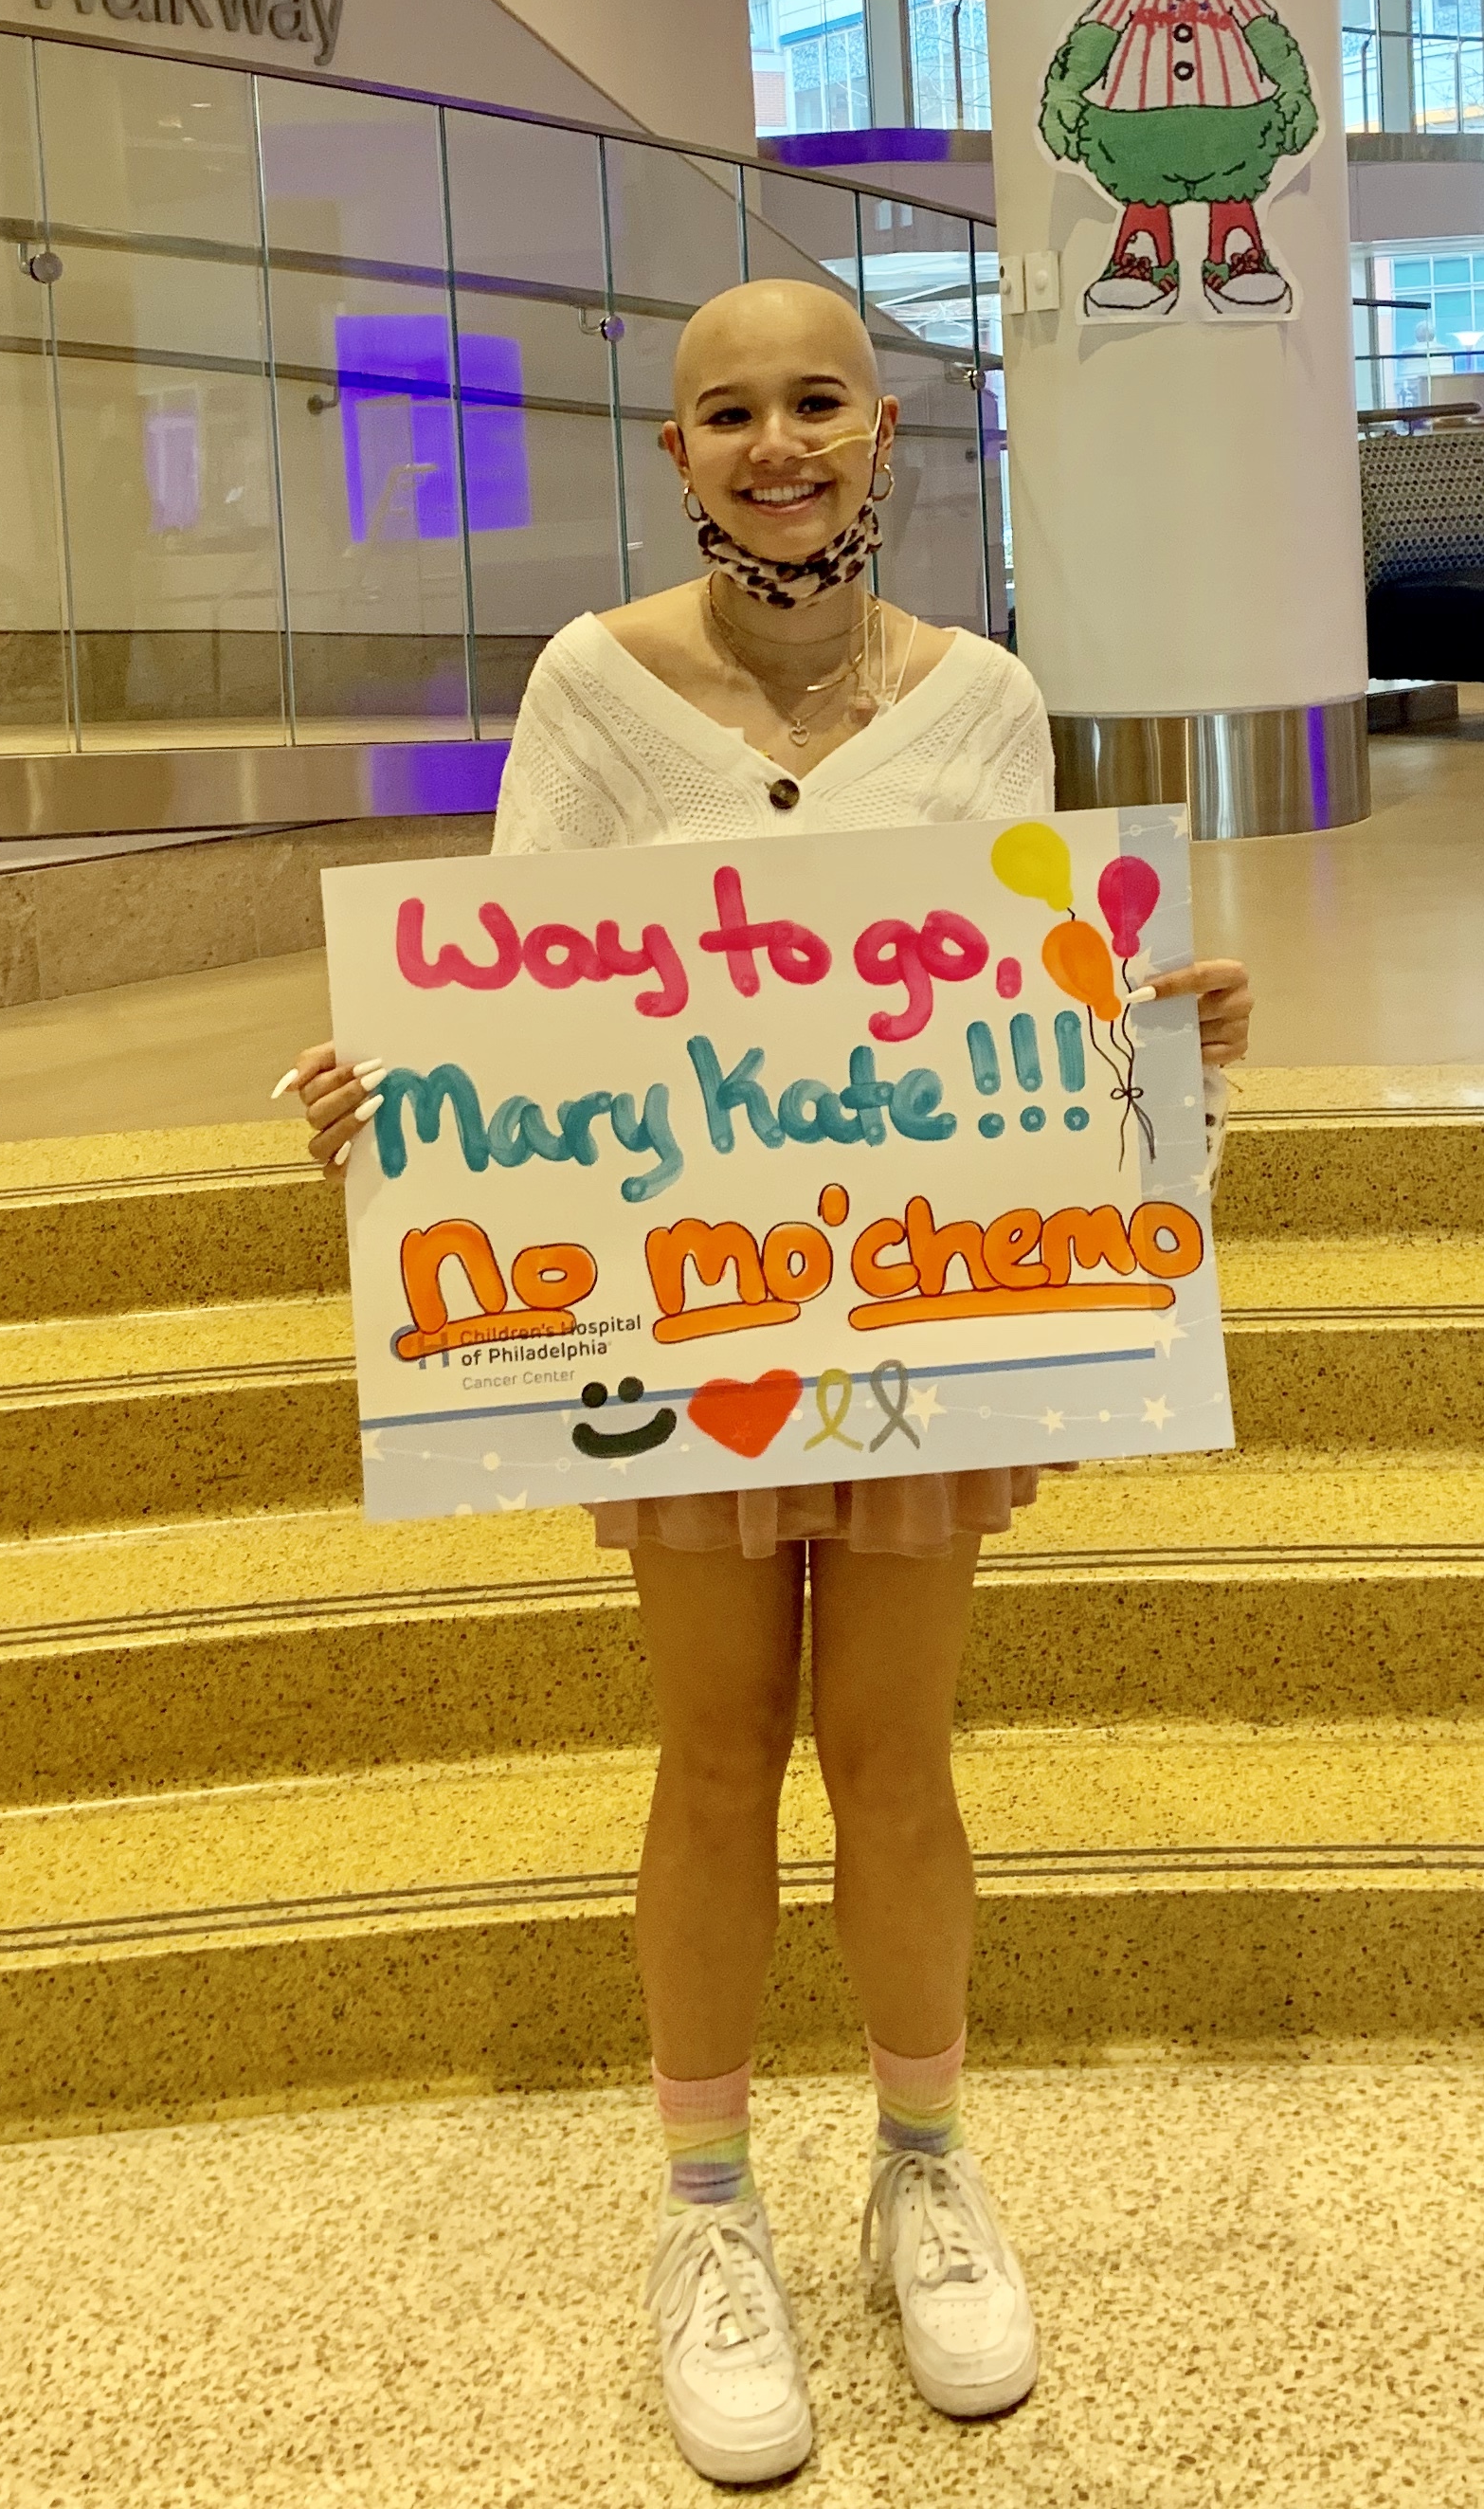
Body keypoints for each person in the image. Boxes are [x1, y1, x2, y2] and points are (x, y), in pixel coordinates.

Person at [285, 276, 1254, 2488]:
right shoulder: (593, 686)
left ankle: (927, 2166)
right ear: (677, 451)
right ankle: (706, 2208)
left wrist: (1168, 1054)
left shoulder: (984, 699)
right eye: (729, 413)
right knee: (714, 1753)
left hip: (917, 1325)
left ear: (883, 427)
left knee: (896, 1756)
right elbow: (513, 993)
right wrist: (388, 1103)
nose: (778, 444)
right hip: (687, 1331)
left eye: (817, 400)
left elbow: (1035, 1010)